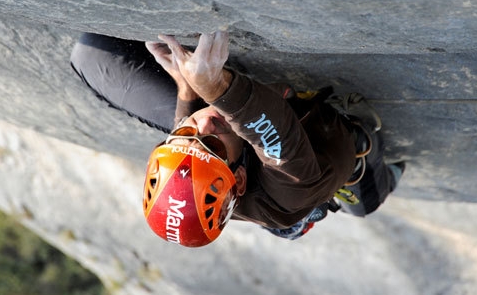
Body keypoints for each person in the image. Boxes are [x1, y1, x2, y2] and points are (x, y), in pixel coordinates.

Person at [70, 31, 405, 247]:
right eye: (210, 145)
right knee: (360, 196)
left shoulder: (203, 142)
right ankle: (345, 194)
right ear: (239, 178)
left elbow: (196, 136)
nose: (202, 125)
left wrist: (186, 86)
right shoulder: (288, 192)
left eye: (184, 135)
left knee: (93, 56)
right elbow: (278, 132)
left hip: (235, 162)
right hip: (309, 162)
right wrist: (214, 85)